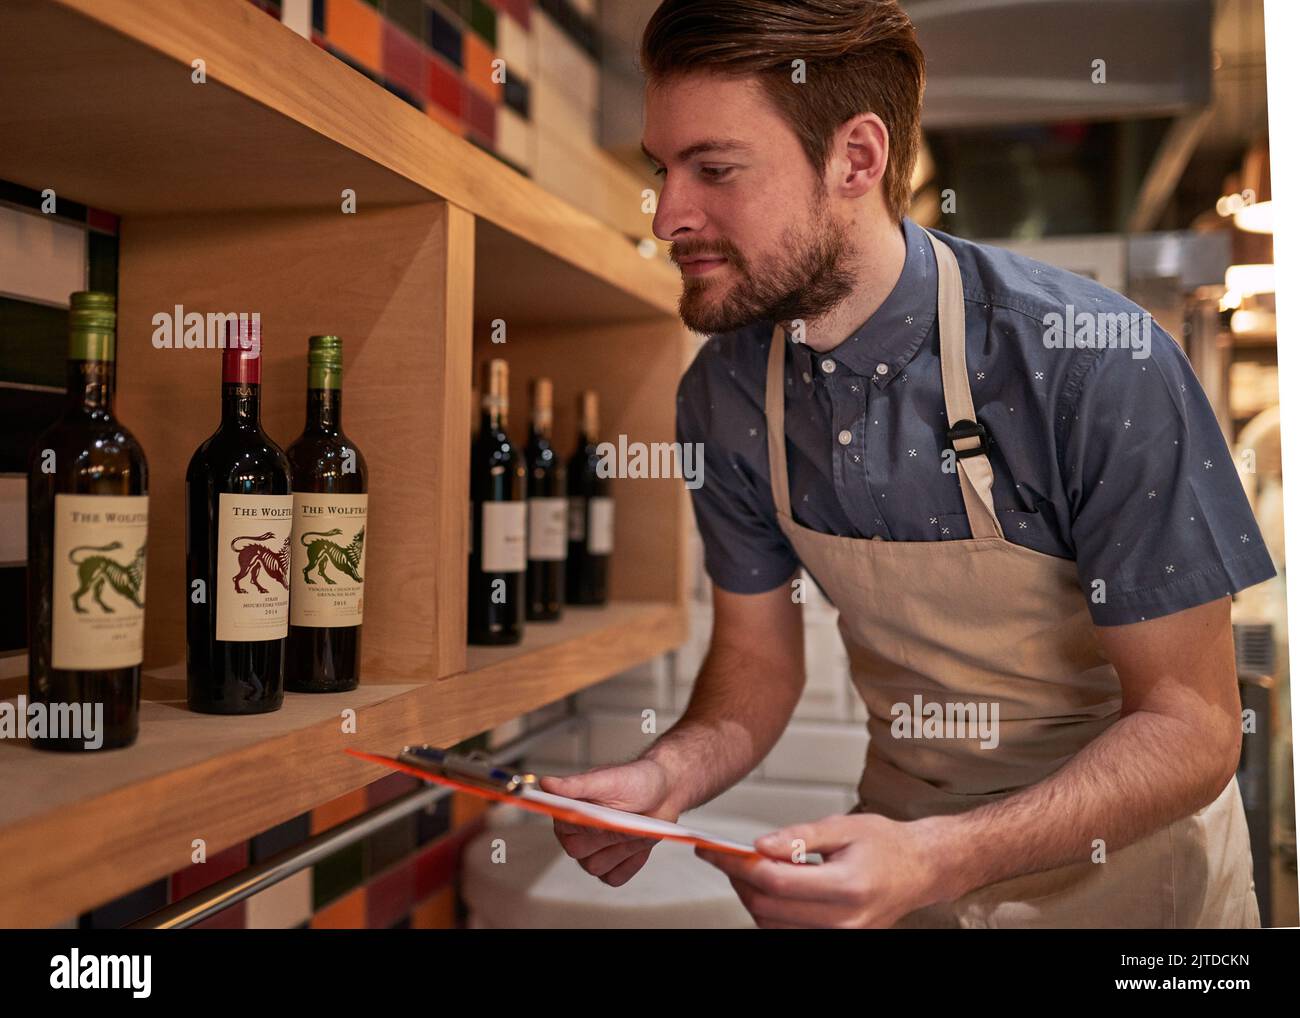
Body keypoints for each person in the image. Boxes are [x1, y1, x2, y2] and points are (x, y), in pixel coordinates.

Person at [541, 0, 1276, 928]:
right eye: (664, 169)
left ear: (857, 158)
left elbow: (1197, 728)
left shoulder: (1090, 362)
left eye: (713, 168)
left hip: (1135, 886)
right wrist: (663, 775)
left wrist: (940, 855)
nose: (668, 217)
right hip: (902, 871)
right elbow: (757, 669)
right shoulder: (725, 394)